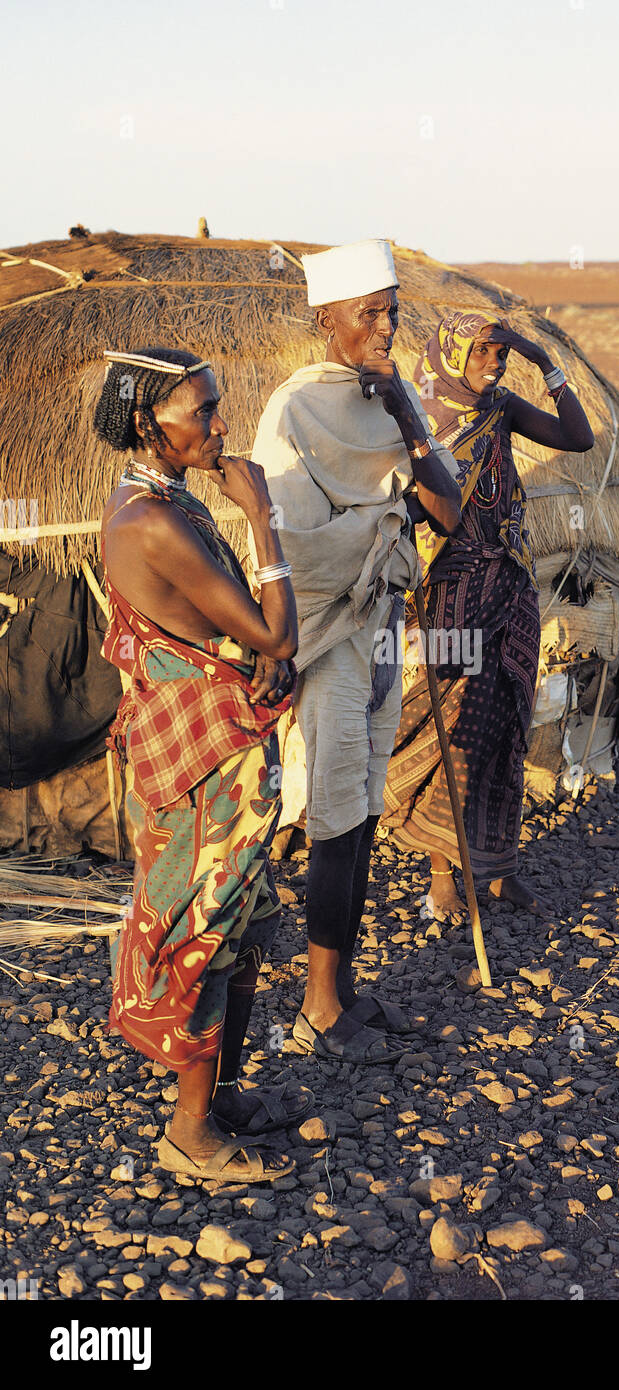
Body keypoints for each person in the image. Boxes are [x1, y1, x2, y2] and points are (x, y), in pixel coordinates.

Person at [97, 345, 306, 1182]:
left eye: (219, 405)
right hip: (201, 764)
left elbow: (234, 629)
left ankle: (215, 1098)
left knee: (242, 923)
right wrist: (262, 516)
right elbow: (274, 632)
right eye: (203, 411)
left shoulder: (162, 500)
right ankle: (191, 1136)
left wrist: (256, 646)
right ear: (149, 423)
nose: (220, 425)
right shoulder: (151, 520)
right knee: (207, 933)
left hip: (213, 744)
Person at [252, 239, 461, 1062]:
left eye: (392, 312)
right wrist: (380, 527)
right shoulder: (293, 410)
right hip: (329, 636)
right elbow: (287, 544)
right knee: (336, 817)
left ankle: (341, 988)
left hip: (377, 630)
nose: (384, 326)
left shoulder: (393, 402)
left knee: (367, 807)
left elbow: (446, 512)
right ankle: (315, 1009)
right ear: (325, 318)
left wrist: (407, 413)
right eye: (367, 312)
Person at [383, 311, 594, 918]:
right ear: (451, 355)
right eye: (482, 354)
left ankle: (499, 867)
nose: (494, 364)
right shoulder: (420, 422)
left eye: (501, 354)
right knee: (452, 730)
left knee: (507, 728)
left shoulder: (500, 409)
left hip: (511, 586)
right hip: (451, 596)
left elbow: (578, 438)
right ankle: (441, 872)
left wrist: (542, 359)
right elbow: (425, 514)